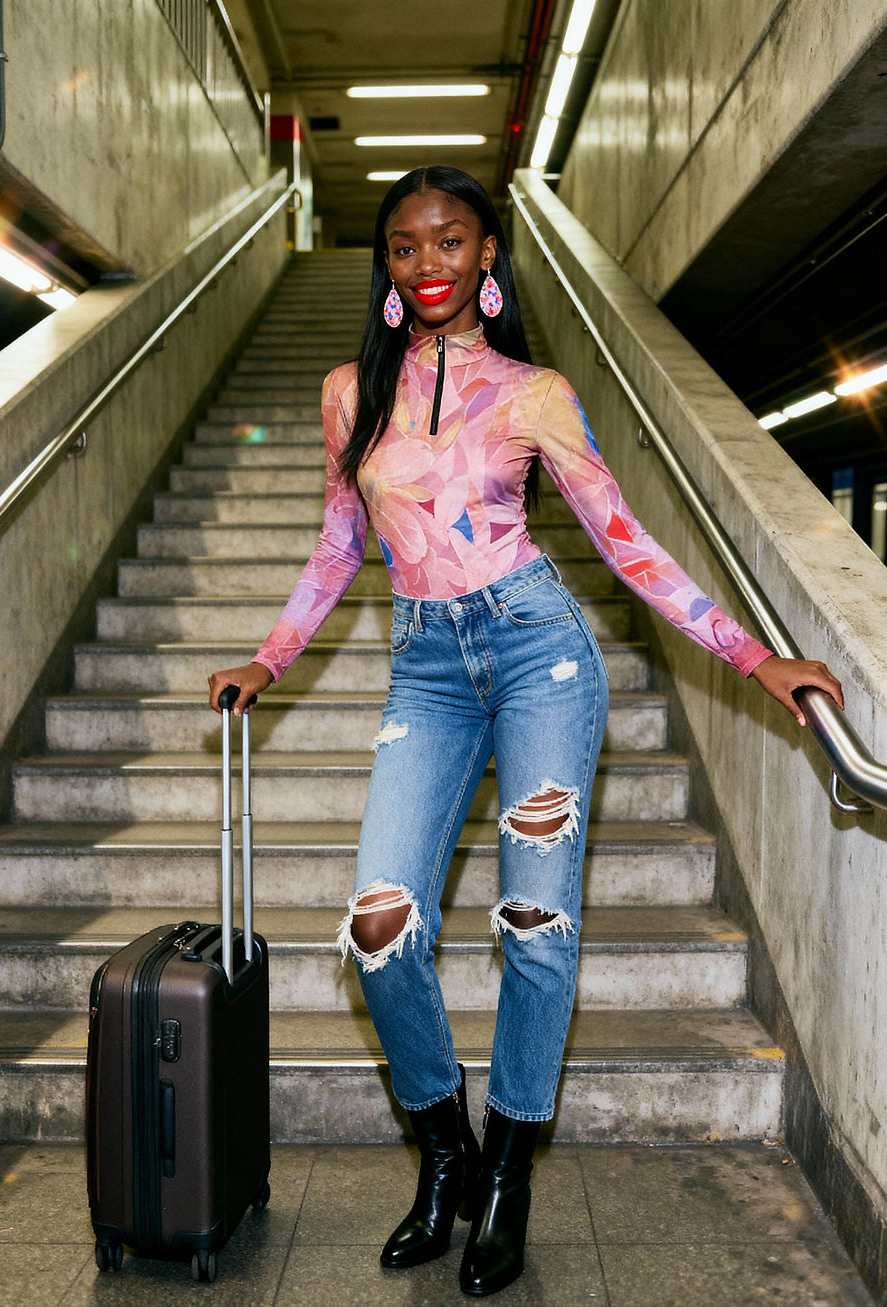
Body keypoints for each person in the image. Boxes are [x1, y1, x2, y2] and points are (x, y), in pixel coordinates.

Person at [209, 166, 843, 1297]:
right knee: (375, 926)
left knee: (534, 921)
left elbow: (626, 540)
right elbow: (335, 545)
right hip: (424, 670)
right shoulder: (348, 392)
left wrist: (753, 654)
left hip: (540, 654)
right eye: (404, 247)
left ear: (487, 254)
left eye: (451, 240)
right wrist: (271, 655)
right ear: (388, 268)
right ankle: (442, 1151)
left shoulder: (535, 391)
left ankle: (507, 1171)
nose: (429, 262)